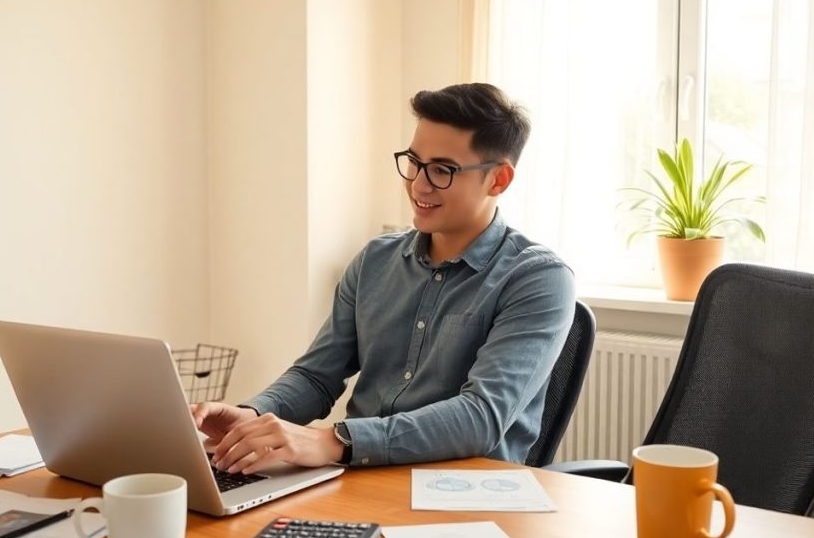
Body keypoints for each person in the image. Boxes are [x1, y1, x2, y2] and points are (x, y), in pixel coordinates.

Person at [193, 82, 575, 474]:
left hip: (467, 497)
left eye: (442, 170)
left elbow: (481, 417)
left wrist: (335, 440)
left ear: (498, 180)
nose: (418, 184)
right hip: (362, 477)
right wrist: (254, 415)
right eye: (413, 161)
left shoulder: (538, 279)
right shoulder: (375, 260)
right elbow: (317, 376)